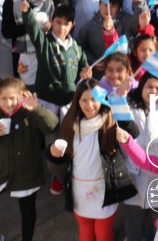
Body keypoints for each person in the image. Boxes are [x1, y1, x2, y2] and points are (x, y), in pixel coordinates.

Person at [0, 78, 59, 241]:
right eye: (3, 99)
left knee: (27, 212)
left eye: (12, 98)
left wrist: (37, 108)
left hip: (27, 174)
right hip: (1, 173)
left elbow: (52, 125)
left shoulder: (29, 112)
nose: (8, 103)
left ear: (21, 96)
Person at [48, 79, 139, 241]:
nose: (89, 105)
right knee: (85, 231)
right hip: (79, 191)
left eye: (94, 99)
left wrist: (119, 101)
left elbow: (133, 131)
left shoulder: (111, 120)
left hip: (106, 190)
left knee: (103, 232)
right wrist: (53, 154)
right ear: (77, 101)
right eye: (84, 100)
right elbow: (61, 160)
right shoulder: (70, 125)